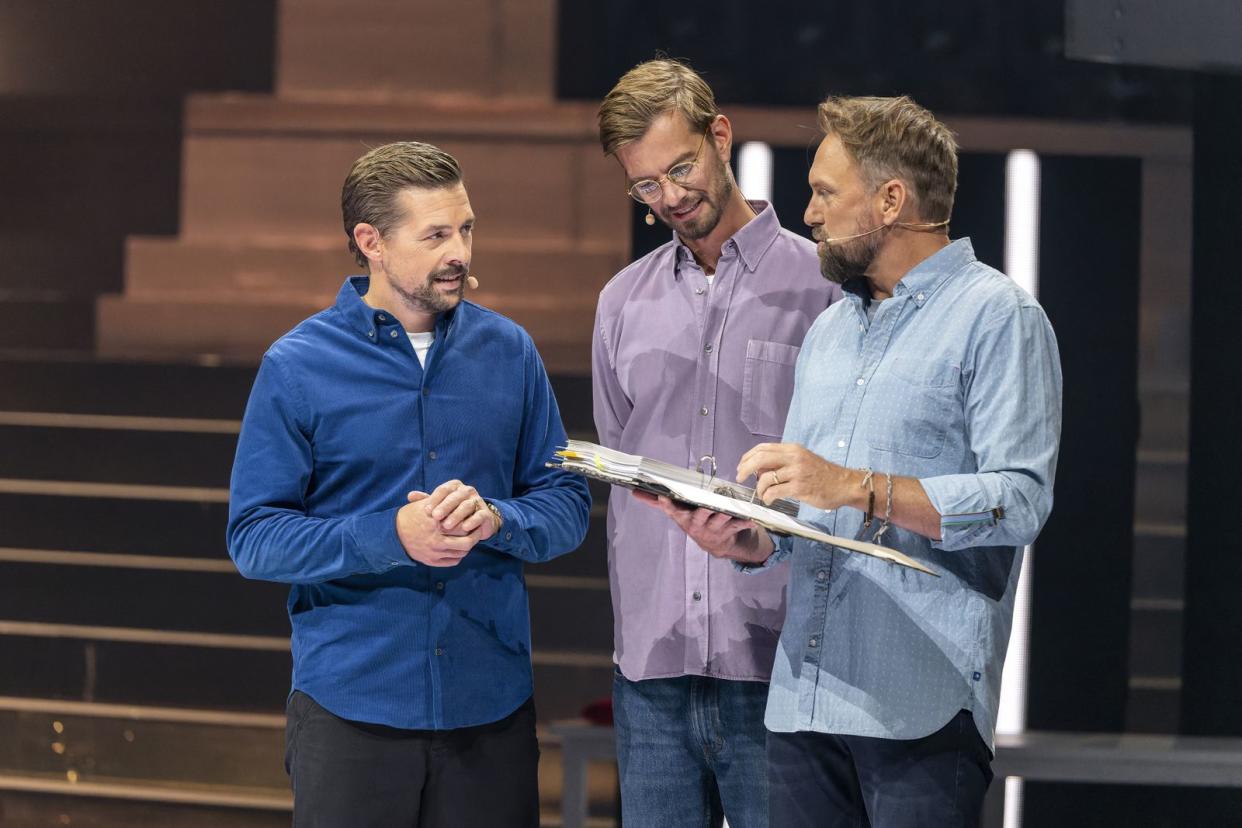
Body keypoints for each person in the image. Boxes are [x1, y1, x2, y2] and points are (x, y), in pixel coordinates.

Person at [653, 95, 1062, 827]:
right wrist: (745, 537)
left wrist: (856, 486)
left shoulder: (999, 317)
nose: (808, 213)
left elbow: (1019, 500)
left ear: (890, 200)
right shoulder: (831, 329)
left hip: (920, 706)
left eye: (824, 193)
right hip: (805, 699)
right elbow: (804, 513)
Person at [226, 141, 591, 828]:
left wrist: (496, 520)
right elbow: (254, 538)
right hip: (351, 714)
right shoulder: (297, 365)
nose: (461, 252)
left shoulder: (510, 352)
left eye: (467, 228)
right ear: (372, 242)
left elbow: (567, 506)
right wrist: (390, 535)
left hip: (491, 711)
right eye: (436, 235)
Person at [593, 59, 839, 827]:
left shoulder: (823, 287)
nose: (668, 198)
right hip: (651, 673)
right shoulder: (621, 301)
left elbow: (844, 475)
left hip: (780, 669)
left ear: (720, 135)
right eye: (645, 187)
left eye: (680, 168)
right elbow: (618, 462)